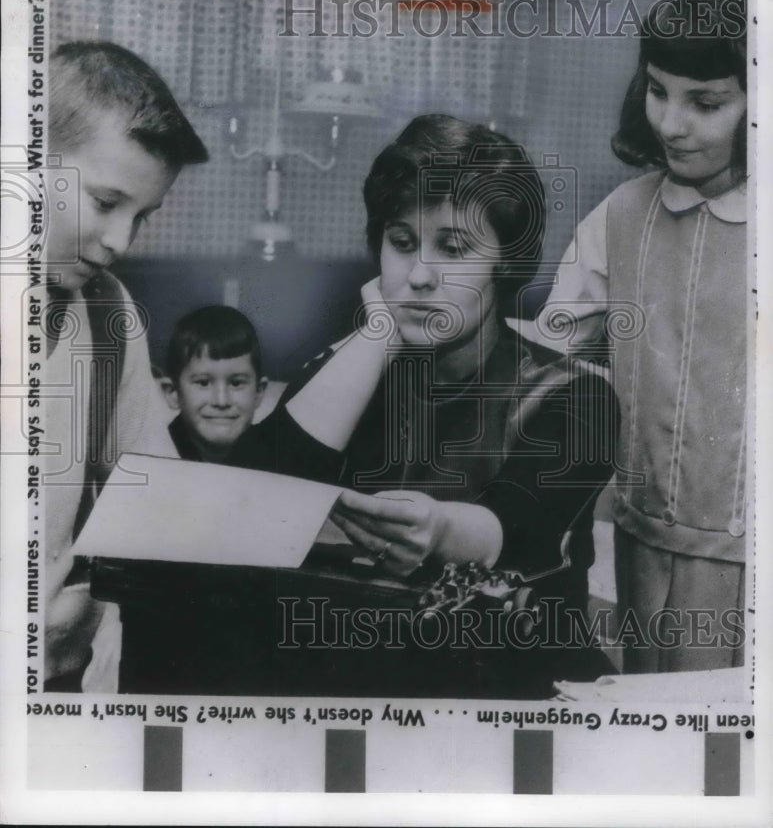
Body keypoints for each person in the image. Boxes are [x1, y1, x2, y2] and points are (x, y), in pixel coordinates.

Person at [230, 115, 619, 679]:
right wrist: (378, 334)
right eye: (402, 243)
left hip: (513, 704)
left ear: (505, 261)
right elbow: (248, 502)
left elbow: (518, 523)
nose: (419, 275)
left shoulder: (574, 395)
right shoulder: (346, 368)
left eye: (453, 248)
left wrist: (436, 529)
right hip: (360, 690)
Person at [523, 0, 748, 673]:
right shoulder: (620, 217)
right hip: (640, 548)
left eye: (704, 102)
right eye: (657, 92)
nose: (671, 124)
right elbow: (544, 360)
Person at [42, 41, 208, 689]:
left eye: (141, 216)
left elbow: (154, 495)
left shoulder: (109, 312)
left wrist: (120, 610)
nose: (119, 243)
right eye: (106, 203)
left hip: (61, 680)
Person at [161, 305, 267, 463]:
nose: (221, 401)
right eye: (203, 383)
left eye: (236, 383)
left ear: (258, 392)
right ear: (173, 393)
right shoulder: (155, 455)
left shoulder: (275, 459)